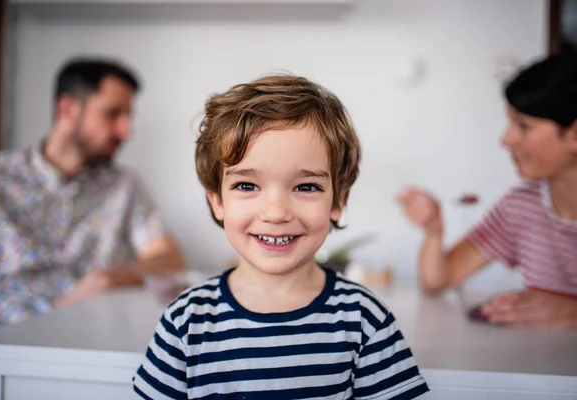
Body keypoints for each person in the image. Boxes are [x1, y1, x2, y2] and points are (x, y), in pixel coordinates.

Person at [133, 74, 429, 399]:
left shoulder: (365, 320)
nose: (275, 212)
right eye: (247, 186)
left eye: (306, 187)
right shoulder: (185, 322)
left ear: (338, 201)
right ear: (217, 201)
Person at [0, 57, 185, 331]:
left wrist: (109, 279)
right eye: (113, 114)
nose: (126, 131)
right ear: (68, 109)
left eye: (128, 117)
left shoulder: (124, 185)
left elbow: (170, 258)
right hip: (3, 347)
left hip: (93, 340)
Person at [398, 52, 577, 329]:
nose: (505, 139)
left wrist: (571, 314)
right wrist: (434, 229)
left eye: (524, 126)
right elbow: (437, 282)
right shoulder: (522, 205)